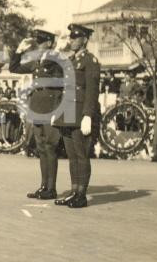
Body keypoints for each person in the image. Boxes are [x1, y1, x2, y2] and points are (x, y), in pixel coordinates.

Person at [8, 28, 64, 198]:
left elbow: (63, 83)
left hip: (51, 106)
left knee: (50, 147)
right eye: (37, 43)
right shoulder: (36, 61)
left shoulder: (57, 60)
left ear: (49, 43)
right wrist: (19, 51)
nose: (38, 46)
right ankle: (43, 186)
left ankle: (51, 188)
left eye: (41, 42)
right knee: (40, 147)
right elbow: (14, 68)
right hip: (38, 106)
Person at [53, 24, 100, 209]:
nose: (71, 40)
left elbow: (92, 91)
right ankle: (74, 191)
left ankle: (81, 194)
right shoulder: (70, 60)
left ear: (85, 40)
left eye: (75, 37)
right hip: (67, 113)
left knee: (81, 155)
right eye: (70, 37)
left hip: (80, 113)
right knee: (72, 156)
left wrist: (88, 115)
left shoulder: (90, 61)